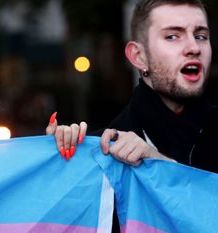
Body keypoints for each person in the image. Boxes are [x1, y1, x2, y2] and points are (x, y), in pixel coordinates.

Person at [50, 0, 217, 170]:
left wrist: (158, 165)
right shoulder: (105, 150)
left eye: (200, 36)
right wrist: (57, 156)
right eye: (172, 36)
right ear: (138, 57)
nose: (194, 47)